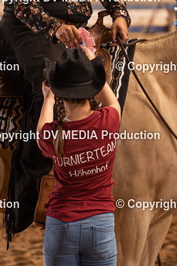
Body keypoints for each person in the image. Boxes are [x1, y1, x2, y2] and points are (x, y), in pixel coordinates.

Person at [0, 0, 130, 237]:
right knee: (50, 88)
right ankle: (31, 187)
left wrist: (119, 13)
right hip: (26, 27)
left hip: (74, 29)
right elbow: (24, 4)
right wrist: (55, 27)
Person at [37, 46, 120, 266]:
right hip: (100, 225)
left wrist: (48, 99)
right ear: (92, 90)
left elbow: (40, 130)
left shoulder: (52, 135)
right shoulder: (109, 121)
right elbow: (113, 103)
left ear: (60, 93)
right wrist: (93, 62)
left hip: (61, 224)